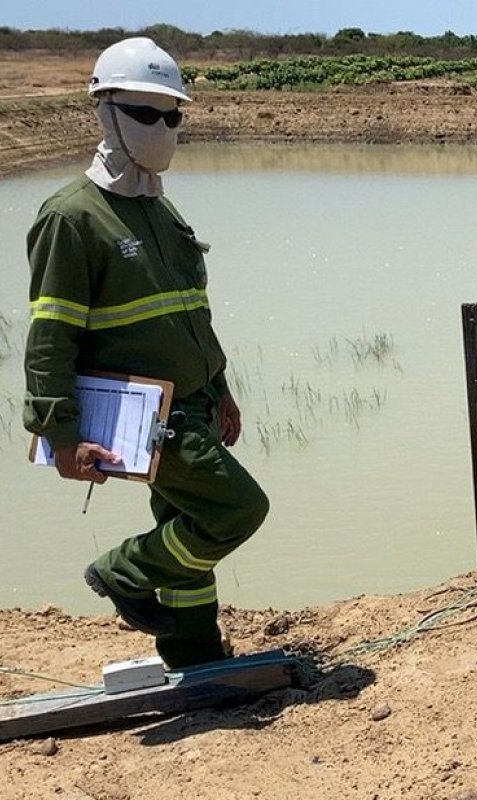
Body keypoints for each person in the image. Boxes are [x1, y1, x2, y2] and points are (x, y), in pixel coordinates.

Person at [23, 37, 269, 669]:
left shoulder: (160, 209)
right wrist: (62, 433)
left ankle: (193, 653)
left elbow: (189, 311)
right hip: (150, 418)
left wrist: (221, 386)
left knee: (182, 525)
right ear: (105, 112)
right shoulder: (73, 218)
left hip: (194, 403)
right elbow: (50, 336)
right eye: (144, 113)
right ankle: (124, 571)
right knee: (237, 511)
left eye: (172, 115)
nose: (161, 128)